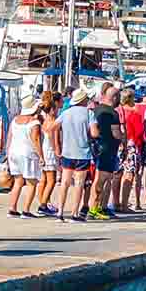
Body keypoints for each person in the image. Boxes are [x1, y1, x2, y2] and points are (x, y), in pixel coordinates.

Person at [57, 88, 96, 222]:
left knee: (65, 182)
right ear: (84, 100)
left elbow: (52, 128)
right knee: (79, 183)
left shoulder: (65, 113)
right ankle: (74, 213)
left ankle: (60, 212)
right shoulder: (89, 113)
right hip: (82, 152)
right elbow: (95, 133)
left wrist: (57, 146)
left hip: (67, 151)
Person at [88, 85, 125, 220]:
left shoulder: (96, 110)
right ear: (114, 97)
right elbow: (116, 134)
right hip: (108, 149)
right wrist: (123, 138)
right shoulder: (112, 113)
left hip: (97, 148)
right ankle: (95, 208)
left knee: (99, 178)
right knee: (102, 180)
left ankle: (96, 207)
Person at [4, 95, 44, 217]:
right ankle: (26, 210)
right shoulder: (34, 122)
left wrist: (7, 153)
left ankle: (12, 208)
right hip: (28, 153)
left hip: (13, 153)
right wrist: (41, 156)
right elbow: (35, 140)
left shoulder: (15, 120)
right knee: (32, 182)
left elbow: (9, 138)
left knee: (17, 181)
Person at [119, 87, 146, 212]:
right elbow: (139, 132)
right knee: (130, 174)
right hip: (132, 145)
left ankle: (119, 202)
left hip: (119, 144)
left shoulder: (119, 111)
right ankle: (125, 204)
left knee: (119, 175)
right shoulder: (133, 113)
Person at [34, 90, 63, 216]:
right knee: (51, 180)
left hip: (44, 151)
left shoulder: (43, 121)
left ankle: (42, 201)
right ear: (53, 108)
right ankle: (43, 205)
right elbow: (55, 141)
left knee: (44, 179)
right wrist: (58, 153)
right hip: (50, 152)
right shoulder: (53, 122)